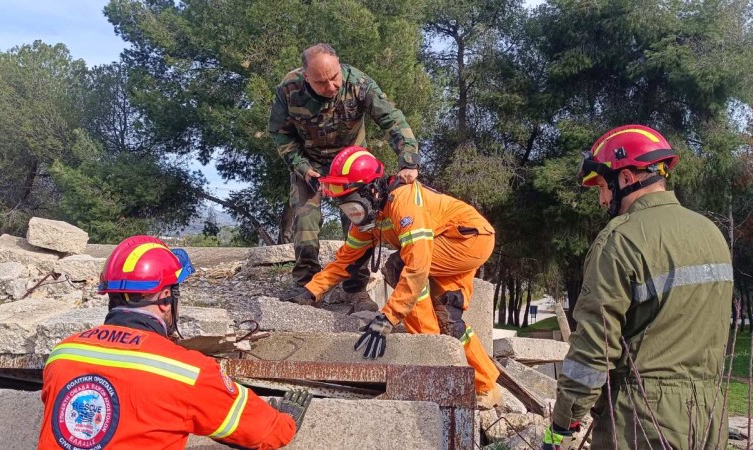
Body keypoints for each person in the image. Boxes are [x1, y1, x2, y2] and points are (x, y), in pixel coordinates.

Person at [543, 125, 734, 449]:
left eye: (603, 186)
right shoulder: (711, 234)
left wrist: (563, 422)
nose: (602, 199)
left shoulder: (620, 240)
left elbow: (594, 347)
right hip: (709, 417)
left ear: (628, 178)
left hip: (642, 422)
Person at [39, 236, 311, 450]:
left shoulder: (63, 354)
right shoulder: (187, 372)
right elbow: (262, 432)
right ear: (165, 297)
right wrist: (284, 423)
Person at [280, 146, 502, 409]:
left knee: (398, 267)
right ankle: (486, 386)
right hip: (453, 241)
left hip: (467, 241)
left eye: (350, 198)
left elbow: (417, 267)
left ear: (371, 189)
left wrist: (388, 317)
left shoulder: (404, 201)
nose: (348, 209)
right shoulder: (369, 217)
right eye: (342, 200)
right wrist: (310, 291)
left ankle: (432, 354)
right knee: (449, 320)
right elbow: (346, 259)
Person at [268, 43, 420, 306]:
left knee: (359, 223)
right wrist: (303, 168)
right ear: (306, 77)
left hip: (351, 166)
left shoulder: (359, 83)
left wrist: (408, 160)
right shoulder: (288, 89)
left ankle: (354, 288)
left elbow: (392, 120)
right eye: (321, 82)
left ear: (339, 65)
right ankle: (307, 285)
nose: (331, 87)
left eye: (334, 77)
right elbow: (280, 133)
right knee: (305, 221)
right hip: (309, 164)